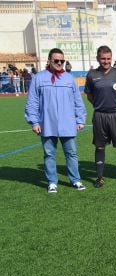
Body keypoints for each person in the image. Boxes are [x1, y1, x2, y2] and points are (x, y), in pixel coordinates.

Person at [24, 48, 87, 193]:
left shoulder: (69, 78)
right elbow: (32, 101)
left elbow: (78, 101)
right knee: (49, 154)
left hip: (68, 123)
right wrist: (34, 121)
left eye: (62, 61)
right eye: (56, 61)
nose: (60, 63)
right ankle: (52, 182)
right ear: (49, 61)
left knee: (71, 153)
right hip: (47, 123)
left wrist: (80, 119)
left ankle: (75, 180)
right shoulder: (38, 78)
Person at [84, 45, 116, 188]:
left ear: (111, 59)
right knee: (100, 147)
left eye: (108, 59)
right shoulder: (92, 75)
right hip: (100, 116)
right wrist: (99, 104)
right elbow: (89, 94)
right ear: (97, 58)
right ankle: (99, 177)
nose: (106, 61)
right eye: (103, 59)